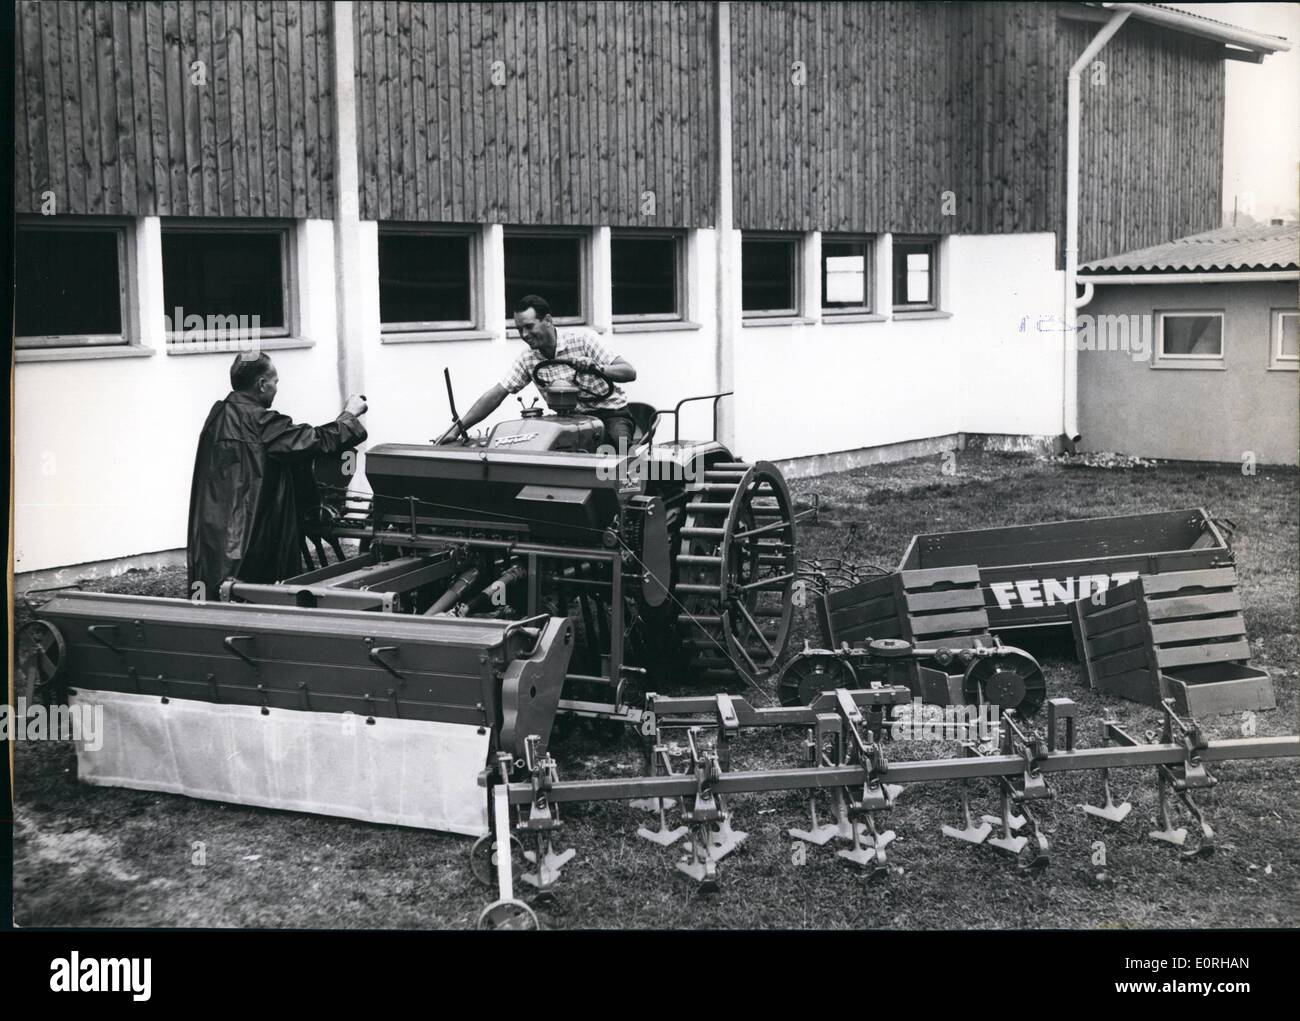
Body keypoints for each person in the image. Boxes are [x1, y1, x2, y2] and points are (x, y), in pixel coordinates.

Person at [187, 352, 368, 600]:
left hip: (215, 540)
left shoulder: (217, 415)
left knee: (215, 602)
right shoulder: (262, 423)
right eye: (275, 382)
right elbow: (314, 441)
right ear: (262, 384)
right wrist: (350, 416)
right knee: (257, 601)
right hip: (250, 544)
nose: (276, 388)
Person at [436, 294, 638, 447]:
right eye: (519, 329)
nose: (524, 334)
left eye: (529, 327)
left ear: (548, 320)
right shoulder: (528, 358)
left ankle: (626, 494)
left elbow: (629, 372)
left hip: (610, 414)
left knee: (618, 455)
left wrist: (597, 368)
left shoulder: (584, 339)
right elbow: (497, 393)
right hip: (568, 421)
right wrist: (457, 428)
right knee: (534, 448)